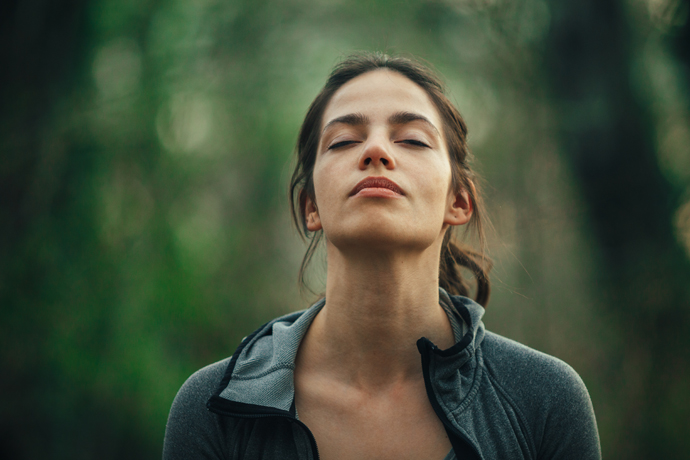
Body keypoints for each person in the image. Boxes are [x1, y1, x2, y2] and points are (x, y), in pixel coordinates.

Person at [163, 52, 601, 460]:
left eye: (411, 139)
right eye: (343, 141)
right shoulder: (214, 408)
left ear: (459, 201)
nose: (376, 151)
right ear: (310, 207)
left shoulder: (545, 401)